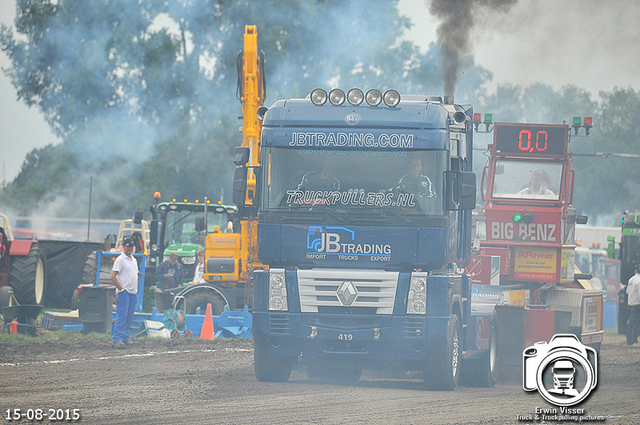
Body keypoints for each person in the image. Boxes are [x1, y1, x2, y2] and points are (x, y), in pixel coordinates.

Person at [111, 236, 140, 349]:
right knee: (122, 315)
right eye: (127, 246)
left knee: (129, 316)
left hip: (133, 292)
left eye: (131, 246)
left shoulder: (134, 260)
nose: (129, 248)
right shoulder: (120, 260)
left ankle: (125, 337)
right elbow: (113, 276)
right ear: (123, 247)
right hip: (125, 291)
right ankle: (117, 338)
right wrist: (121, 289)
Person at [626, 266, 640, 345]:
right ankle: (631, 340)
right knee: (635, 323)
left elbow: (628, 291)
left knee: (632, 323)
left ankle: (633, 339)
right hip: (637, 304)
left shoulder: (631, 279)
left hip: (631, 303)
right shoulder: (639, 281)